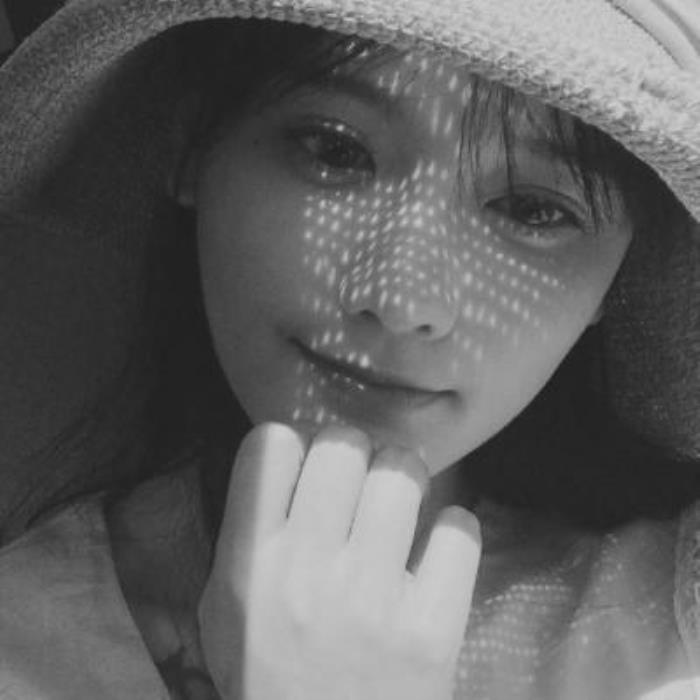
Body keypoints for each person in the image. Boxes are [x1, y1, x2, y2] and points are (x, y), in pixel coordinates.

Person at [1, 1, 700, 699]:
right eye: (335, 150)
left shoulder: (669, 635)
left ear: (624, 275)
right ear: (193, 143)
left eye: (533, 210)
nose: (401, 301)